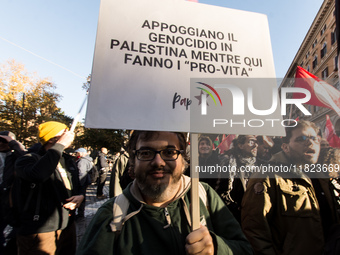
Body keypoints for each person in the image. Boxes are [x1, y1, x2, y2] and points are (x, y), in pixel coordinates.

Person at [77, 131, 253, 255]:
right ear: (133, 160)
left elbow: (244, 249)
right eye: (146, 152)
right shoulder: (111, 215)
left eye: (170, 152)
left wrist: (216, 248)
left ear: (184, 159)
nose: (158, 162)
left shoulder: (204, 194)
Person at [242, 120, 339, 255]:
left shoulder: (322, 175)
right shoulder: (267, 176)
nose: (310, 143)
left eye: (314, 138)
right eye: (301, 139)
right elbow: (254, 230)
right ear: (285, 147)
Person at [14, 121, 85, 255]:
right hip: (40, 230)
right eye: (64, 132)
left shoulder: (68, 160)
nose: (70, 134)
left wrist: (80, 196)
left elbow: (77, 185)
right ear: (52, 138)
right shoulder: (28, 159)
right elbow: (39, 174)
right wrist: (60, 145)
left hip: (67, 225)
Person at [220, 135, 258, 222]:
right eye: (251, 142)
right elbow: (221, 192)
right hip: (235, 216)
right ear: (240, 145)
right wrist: (238, 209)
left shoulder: (258, 164)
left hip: (254, 216)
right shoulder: (229, 163)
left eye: (256, 142)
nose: (255, 145)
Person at [0, 131, 26, 254]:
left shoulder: (16, 156)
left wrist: (13, 144)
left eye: (4, 141)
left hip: (11, 202)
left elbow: (27, 159)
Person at [75, 148, 93, 219]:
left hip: (81, 182)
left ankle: (80, 214)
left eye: (77, 153)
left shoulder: (82, 161)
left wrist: (78, 182)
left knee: (81, 197)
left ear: (81, 153)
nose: (76, 154)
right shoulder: (87, 160)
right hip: (85, 181)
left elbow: (81, 173)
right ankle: (80, 213)